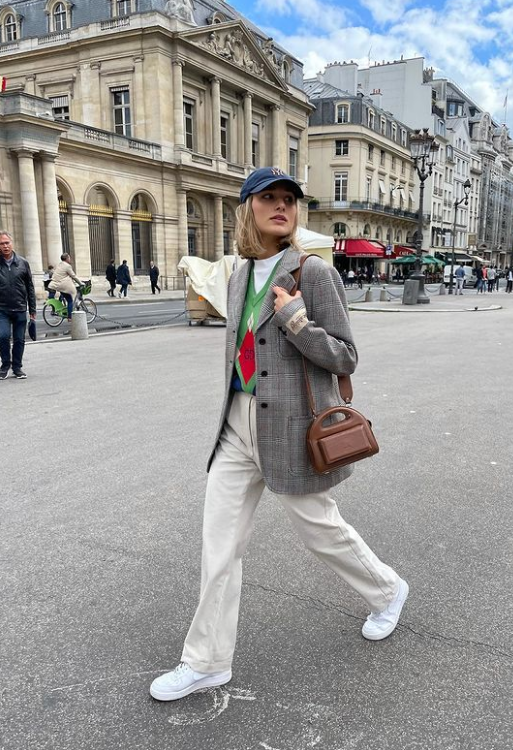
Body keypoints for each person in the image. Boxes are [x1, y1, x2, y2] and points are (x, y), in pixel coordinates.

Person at [149, 167, 408, 702]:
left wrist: (295, 320)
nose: (281, 206)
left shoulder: (312, 273)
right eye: (269, 197)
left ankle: (387, 590)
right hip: (237, 427)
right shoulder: (240, 273)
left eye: (289, 198)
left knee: (321, 533)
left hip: (291, 428)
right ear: (248, 208)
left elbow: (345, 355)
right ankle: (206, 662)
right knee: (219, 547)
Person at [0, 231, 36, 380]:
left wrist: (32, 309)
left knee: (19, 340)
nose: (5, 246)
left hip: (20, 307)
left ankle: (17, 367)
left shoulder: (23, 262)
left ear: (12, 243)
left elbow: (30, 287)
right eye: (2, 244)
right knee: (3, 336)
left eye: (7, 243)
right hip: (2, 309)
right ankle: (5, 365)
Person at [48, 253, 82, 322]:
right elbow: (73, 276)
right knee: (70, 300)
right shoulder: (67, 266)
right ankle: (69, 317)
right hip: (62, 285)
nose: (70, 259)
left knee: (64, 295)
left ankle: (63, 309)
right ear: (67, 258)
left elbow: (64, 276)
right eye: (69, 258)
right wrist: (80, 283)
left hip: (57, 285)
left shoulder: (60, 265)